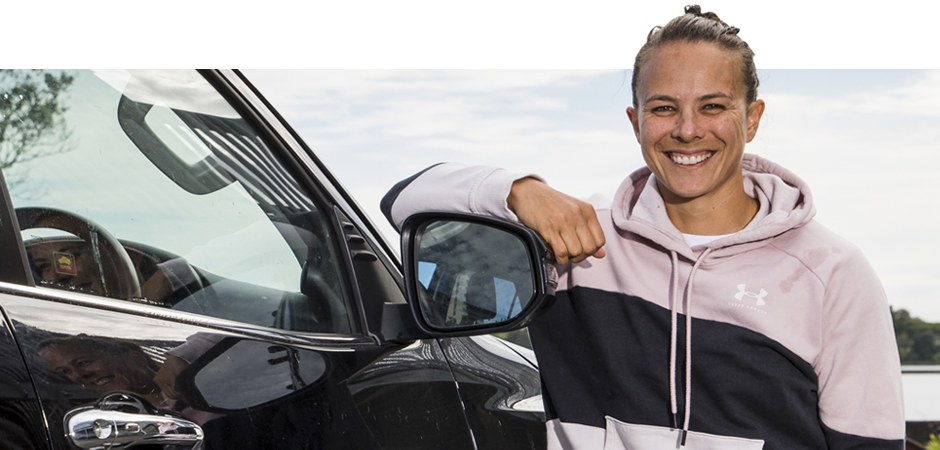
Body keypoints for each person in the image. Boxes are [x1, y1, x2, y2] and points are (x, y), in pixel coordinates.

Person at [382, 6, 904, 450]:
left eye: (713, 106)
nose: (687, 130)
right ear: (636, 122)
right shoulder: (578, 243)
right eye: (664, 108)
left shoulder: (831, 271)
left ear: (752, 117)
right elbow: (403, 200)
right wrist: (519, 189)